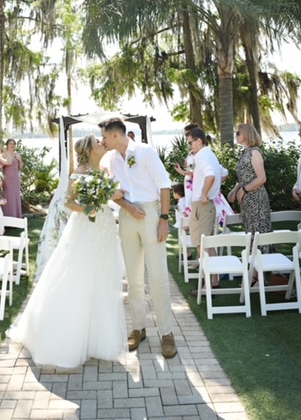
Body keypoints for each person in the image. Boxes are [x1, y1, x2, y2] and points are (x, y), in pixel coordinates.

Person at [7, 135, 127, 368]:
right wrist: (89, 207)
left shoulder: (102, 170)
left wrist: (114, 194)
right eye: (98, 143)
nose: (103, 144)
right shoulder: (79, 172)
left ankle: (95, 339)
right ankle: (68, 337)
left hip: (104, 227)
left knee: (100, 278)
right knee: (79, 275)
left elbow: (107, 195)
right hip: (86, 227)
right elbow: (69, 203)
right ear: (90, 149)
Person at [99, 117, 177, 359]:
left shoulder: (145, 152)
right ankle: (138, 328)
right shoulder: (110, 159)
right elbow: (111, 191)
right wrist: (128, 207)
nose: (102, 141)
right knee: (133, 279)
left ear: (114, 135)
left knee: (157, 276)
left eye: (104, 136)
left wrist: (163, 219)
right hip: (127, 215)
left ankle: (166, 333)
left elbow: (164, 185)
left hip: (152, 213)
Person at [227, 124, 273, 262]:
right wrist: (234, 191)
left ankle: (258, 274)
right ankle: (255, 271)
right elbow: (244, 178)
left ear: (246, 134)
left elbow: (262, 178)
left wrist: (245, 189)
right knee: (250, 233)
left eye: (238, 133)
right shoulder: (245, 152)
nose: (236, 136)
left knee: (258, 233)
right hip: (247, 201)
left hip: (256, 199)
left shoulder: (255, 152)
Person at [185, 127, 222, 294]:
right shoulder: (209, 154)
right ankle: (213, 281)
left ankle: (208, 285)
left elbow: (211, 175)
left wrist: (205, 193)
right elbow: (223, 173)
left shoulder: (201, 156)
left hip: (202, 204)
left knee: (203, 246)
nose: (190, 146)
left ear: (199, 141)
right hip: (204, 204)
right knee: (207, 244)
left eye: (190, 143)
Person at [0, 138, 23, 218]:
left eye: (13, 144)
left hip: (16, 177)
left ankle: (17, 217)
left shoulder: (16, 154)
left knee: (16, 196)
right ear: (7, 145)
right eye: (10, 144)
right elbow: (0, 166)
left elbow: (20, 167)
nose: (12, 145)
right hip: (8, 177)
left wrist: (20, 160)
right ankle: (8, 218)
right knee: (8, 196)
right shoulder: (4, 154)